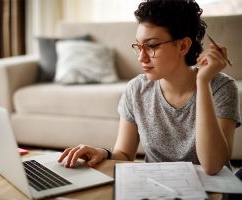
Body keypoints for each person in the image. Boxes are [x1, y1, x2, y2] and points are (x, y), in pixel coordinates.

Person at [58, 0, 241, 175]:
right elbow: (125, 155)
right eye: (139, 46)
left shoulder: (222, 88)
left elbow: (213, 166)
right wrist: (103, 153)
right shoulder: (136, 89)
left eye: (152, 46)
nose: (141, 57)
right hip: (153, 189)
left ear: (183, 45)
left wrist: (203, 83)